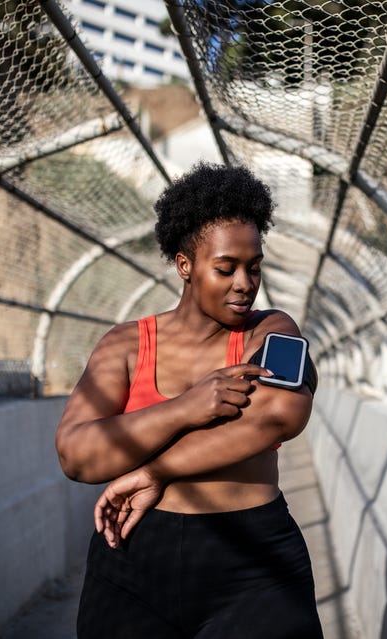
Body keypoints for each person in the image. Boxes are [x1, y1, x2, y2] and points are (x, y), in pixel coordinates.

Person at [56, 162, 323, 639]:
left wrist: (156, 471)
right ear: (184, 265)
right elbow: (76, 454)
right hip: (134, 559)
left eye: (254, 267)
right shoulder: (126, 344)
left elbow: (280, 414)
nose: (244, 282)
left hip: (253, 561)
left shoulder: (273, 329)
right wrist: (186, 407)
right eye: (225, 268)